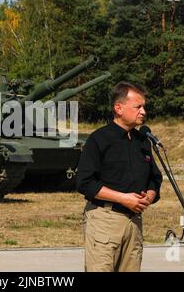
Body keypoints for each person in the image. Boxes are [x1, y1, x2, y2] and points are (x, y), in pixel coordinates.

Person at [76, 81, 163, 272]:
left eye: (144, 107)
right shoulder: (99, 139)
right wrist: (123, 198)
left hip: (134, 222)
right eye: (138, 107)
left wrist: (150, 194)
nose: (143, 112)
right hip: (105, 220)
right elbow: (85, 182)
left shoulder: (143, 141)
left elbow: (155, 178)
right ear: (119, 108)